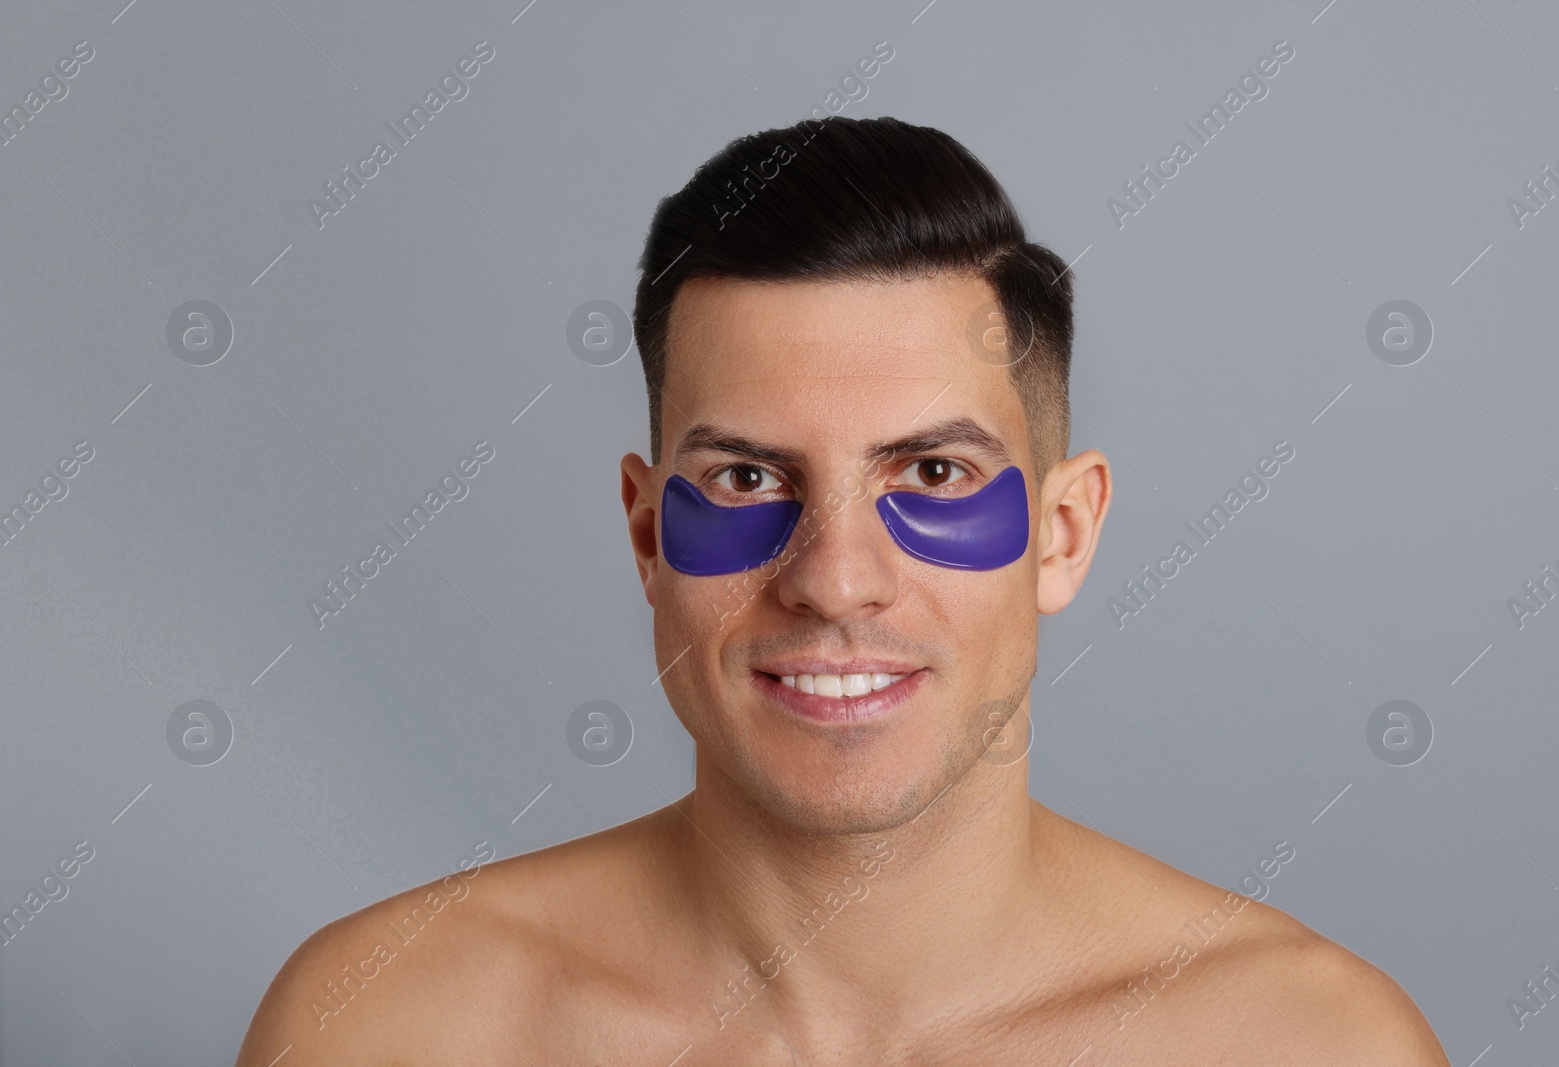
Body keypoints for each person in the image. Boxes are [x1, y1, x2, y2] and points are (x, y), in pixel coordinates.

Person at [237, 115, 1448, 1064]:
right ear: (649, 533)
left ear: (1062, 532)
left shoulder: (1310, 1046)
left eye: (931, 472)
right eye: (749, 475)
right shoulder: (383, 1026)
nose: (833, 578)